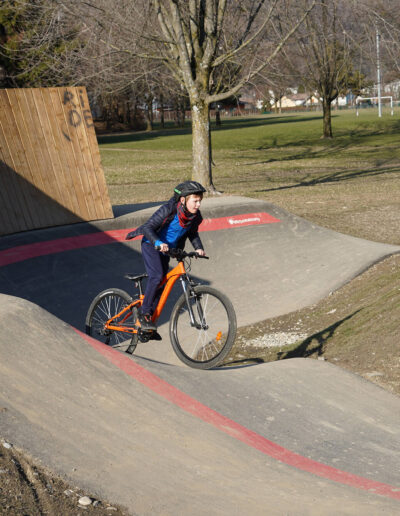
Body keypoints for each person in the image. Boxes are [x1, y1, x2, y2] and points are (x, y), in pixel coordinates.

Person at [126, 181, 206, 331]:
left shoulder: (194, 216)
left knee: (163, 282)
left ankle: (149, 324)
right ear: (183, 200)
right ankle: (143, 314)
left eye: (200, 201)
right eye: (195, 201)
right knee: (157, 276)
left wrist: (199, 248)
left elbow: (192, 233)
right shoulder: (169, 209)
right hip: (151, 245)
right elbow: (147, 227)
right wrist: (157, 242)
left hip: (167, 249)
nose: (198, 204)